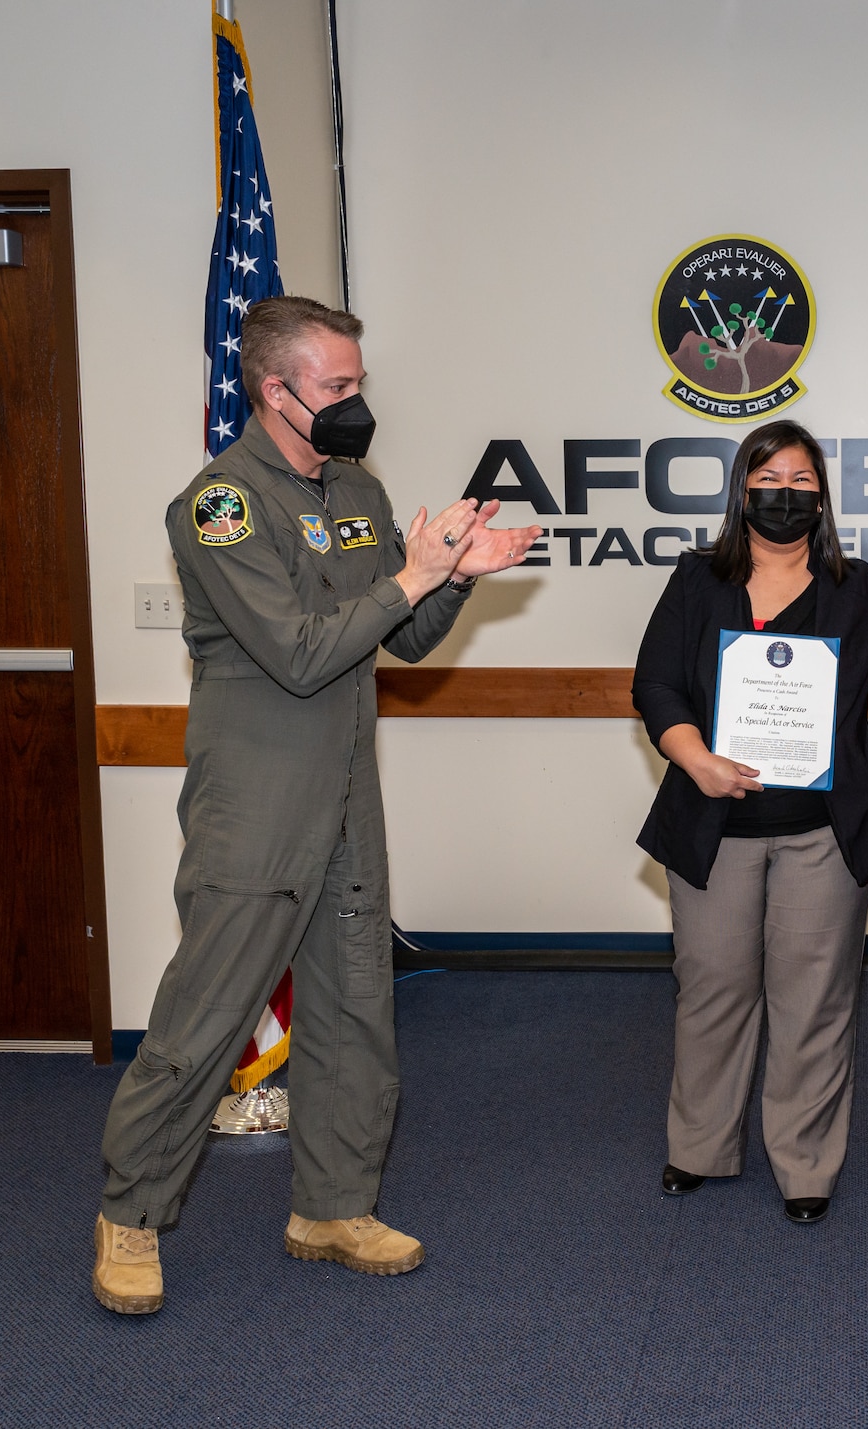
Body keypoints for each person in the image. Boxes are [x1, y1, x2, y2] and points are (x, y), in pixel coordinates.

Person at [92, 296, 541, 1314]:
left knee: (352, 1006)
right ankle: (130, 1214)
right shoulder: (220, 505)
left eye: (357, 384)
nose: (353, 403)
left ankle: (332, 1204)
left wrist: (454, 578)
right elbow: (298, 654)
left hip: (344, 794)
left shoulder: (356, 489)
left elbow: (404, 640)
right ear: (275, 389)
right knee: (205, 1017)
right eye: (336, 387)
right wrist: (411, 575)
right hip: (255, 804)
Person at [632, 419, 868, 1225]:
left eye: (803, 481)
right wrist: (695, 755)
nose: (786, 493)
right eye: (770, 477)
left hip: (823, 833)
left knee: (815, 1000)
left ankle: (806, 1162)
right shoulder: (697, 580)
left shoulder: (856, 590)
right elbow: (655, 686)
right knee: (713, 989)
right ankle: (699, 1145)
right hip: (713, 827)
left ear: (823, 497)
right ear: (743, 487)